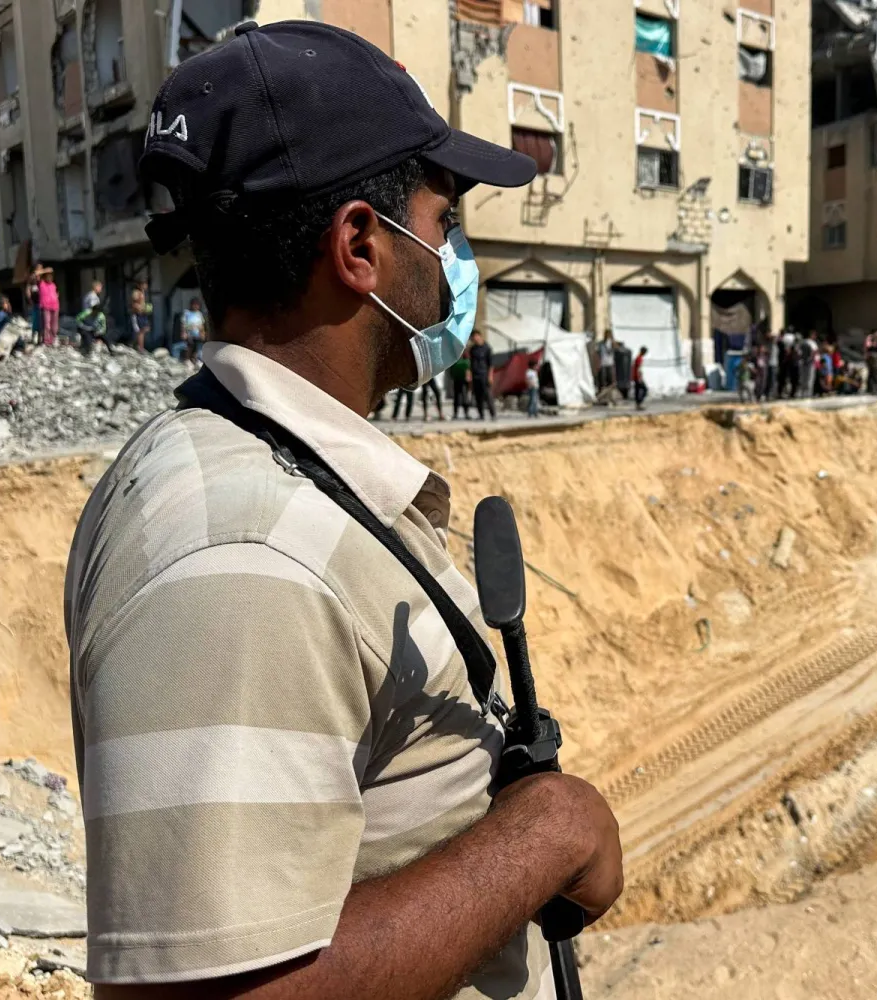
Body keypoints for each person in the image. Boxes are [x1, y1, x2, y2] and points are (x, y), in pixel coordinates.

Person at [69, 21, 620, 999]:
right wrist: (543, 836)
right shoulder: (242, 556)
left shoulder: (276, 480)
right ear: (361, 245)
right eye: (445, 221)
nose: (454, 255)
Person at [468, 329, 495, 419]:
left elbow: (491, 364)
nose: (474, 339)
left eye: (475, 336)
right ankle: (481, 414)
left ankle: (493, 414)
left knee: (488, 395)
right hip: (475, 375)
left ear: (479, 336)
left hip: (484, 375)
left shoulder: (487, 348)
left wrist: (490, 376)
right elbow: (471, 363)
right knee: (478, 396)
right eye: (472, 338)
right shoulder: (472, 349)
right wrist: (470, 375)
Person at [175, 296, 206, 364]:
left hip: (198, 333)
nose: (196, 306)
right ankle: (187, 360)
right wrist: (184, 333)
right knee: (190, 345)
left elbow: (202, 325)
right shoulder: (187, 313)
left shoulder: (199, 314)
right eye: (194, 304)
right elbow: (183, 324)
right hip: (189, 333)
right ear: (191, 304)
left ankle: (197, 359)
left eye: (197, 305)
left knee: (199, 346)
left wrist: (202, 333)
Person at [35, 266, 60, 347]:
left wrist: (56, 297)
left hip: (55, 306)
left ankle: (53, 339)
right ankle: (46, 341)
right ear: (45, 277)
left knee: (54, 325)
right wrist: (45, 270)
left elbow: (57, 293)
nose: (50, 278)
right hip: (46, 307)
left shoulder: (53, 284)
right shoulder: (41, 283)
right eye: (48, 277)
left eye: (51, 277)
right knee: (47, 325)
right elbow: (36, 274)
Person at [130, 280, 154, 352]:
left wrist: (146, 308)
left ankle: (136, 345)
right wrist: (141, 308)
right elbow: (134, 304)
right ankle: (140, 347)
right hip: (138, 315)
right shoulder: (136, 293)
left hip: (143, 314)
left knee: (145, 329)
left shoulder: (143, 292)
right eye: (144, 284)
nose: (145, 286)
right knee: (140, 331)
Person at [449, 354, 471, 418]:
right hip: (456, 380)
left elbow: (468, 369)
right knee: (456, 398)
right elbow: (451, 371)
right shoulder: (454, 359)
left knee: (464, 397)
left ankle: (466, 413)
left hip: (464, 381)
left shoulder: (466, 359)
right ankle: (455, 413)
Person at [633, 345, 649, 409]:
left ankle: (638, 404)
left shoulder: (638, 357)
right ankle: (639, 402)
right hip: (638, 377)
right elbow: (638, 369)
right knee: (645, 389)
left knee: (637, 390)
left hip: (636, 376)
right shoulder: (639, 358)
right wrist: (640, 378)